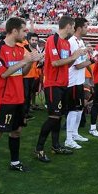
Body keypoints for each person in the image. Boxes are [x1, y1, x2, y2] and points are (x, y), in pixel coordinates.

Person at [0, 17, 42, 186]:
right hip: (2, 99)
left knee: (16, 131)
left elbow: (22, 72)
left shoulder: (19, 48)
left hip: (18, 98)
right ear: (14, 31)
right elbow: (3, 73)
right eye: (23, 31)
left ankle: (14, 163)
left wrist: (31, 61)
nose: (25, 34)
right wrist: (25, 60)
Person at [34, 16, 86, 162]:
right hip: (53, 84)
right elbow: (56, 63)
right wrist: (74, 56)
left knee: (58, 116)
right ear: (68, 26)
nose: (74, 29)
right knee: (53, 117)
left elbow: (67, 65)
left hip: (64, 83)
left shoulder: (66, 43)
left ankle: (56, 146)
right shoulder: (53, 39)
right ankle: (39, 149)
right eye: (73, 26)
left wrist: (75, 57)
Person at [65, 17, 92, 149]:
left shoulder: (80, 41)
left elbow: (82, 61)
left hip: (79, 80)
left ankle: (74, 134)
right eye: (86, 26)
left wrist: (90, 57)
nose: (88, 29)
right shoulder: (72, 42)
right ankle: (68, 138)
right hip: (72, 81)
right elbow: (77, 65)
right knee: (73, 109)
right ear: (79, 28)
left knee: (80, 108)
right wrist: (93, 60)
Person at [22, 32, 40, 120]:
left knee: (29, 95)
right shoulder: (24, 49)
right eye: (32, 40)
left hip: (32, 75)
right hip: (25, 76)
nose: (34, 42)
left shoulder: (35, 50)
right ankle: (23, 114)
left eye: (36, 40)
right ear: (29, 40)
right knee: (25, 96)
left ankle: (26, 112)